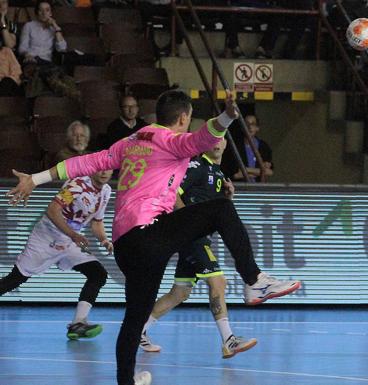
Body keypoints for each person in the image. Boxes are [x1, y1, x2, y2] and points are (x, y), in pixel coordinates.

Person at [7, 90, 299, 385]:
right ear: (183, 117)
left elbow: (84, 163)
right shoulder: (170, 141)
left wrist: (35, 178)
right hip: (149, 234)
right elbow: (203, 139)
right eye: (188, 119)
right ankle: (253, 281)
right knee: (221, 208)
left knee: (135, 317)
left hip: (126, 246)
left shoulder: (129, 142)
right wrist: (227, 117)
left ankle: (126, 381)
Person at [140, 138, 299, 355]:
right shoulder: (197, 166)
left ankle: (138, 330)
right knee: (218, 282)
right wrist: (187, 224)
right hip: (190, 236)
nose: (216, 142)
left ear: (225, 145)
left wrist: (228, 197)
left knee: (179, 293)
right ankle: (229, 340)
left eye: (221, 138)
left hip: (198, 237)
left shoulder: (220, 175)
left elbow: (217, 214)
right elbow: (172, 193)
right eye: (211, 137)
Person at [0, 170, 113, 340]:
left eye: (109, 168)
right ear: (93, 168)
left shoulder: (106, 191)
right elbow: (53, 210)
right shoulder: (77, 185)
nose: (104, 172)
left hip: (69, 241)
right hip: (47, 237)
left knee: (98, 274)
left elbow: (97, 222)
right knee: (15, 279)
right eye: (101, 168)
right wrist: (73, 234)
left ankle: (78, 323)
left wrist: (104, 240)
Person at [18, 0, 79, 100]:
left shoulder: (53, 29)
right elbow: (22, 48)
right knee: (52, 72)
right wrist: (27, 54)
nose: (44, 13)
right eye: (41, 10)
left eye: (47, 10)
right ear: (37, 13)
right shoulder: (29, 26)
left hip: (47, 63)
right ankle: (62, 87)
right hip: (32, 61)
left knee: (65, 77)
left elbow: (62, 48)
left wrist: (56, 27)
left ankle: (69, 93)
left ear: (50, 13)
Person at [222, 114, 274, 182]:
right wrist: (258, 172)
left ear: (257, 128)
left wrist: (246, 170)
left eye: (253, 124)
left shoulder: (263, 147)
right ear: (242, 127)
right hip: (240, 187)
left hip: (259, 187)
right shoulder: (234, 146)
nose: (250, 127)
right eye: (246, 124)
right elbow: (235, 175)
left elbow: (269, 172)